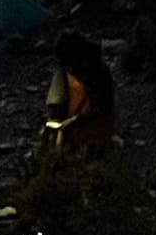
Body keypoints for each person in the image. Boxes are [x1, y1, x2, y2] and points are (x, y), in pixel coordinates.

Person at [43, 31, 118, 160]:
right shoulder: (83, 68)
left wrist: (73, 121)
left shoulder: (94, 73)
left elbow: (101, 107)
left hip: (95, 126)